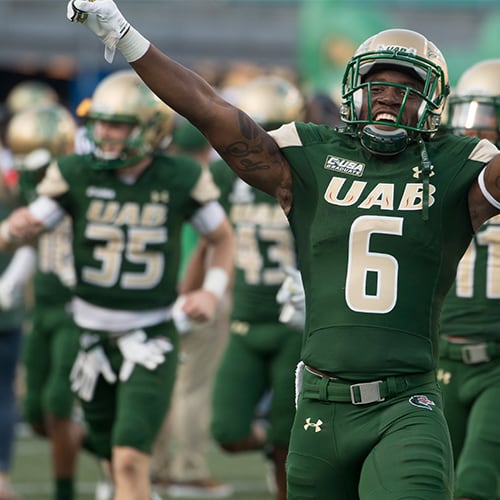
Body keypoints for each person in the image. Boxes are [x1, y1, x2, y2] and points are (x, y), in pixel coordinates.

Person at [66, 4, 500, 498]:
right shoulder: (313, 154)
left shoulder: (455, 166)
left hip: (405, 405)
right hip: (319, 403)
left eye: (405, 89)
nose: (387, 100)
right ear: (353, 91)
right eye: (377, 87)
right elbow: (208, 109)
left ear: (432, 102)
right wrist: (126, 38)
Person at [0, 68, 234, 500]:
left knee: (129, 457)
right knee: (108, 449)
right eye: (100, 122)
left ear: (150, 129)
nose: (104, 133)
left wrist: (211, 291)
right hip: (89, 336)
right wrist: (15, 230)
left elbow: (221, 238)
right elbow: (29, 226)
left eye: (118, 124)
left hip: (149, 335)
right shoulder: (76, 172)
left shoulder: (179, 177)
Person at [208, 75, 303, 500]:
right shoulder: (225, 177)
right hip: (245, 320)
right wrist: (202, 288)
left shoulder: (308, 172)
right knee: (226, 431)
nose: (257, 146)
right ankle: (268, 447)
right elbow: (212, 234)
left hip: (294, 324)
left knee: (291, 442)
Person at [4, 103, 84, 500]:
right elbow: (29, 238)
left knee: (56, 404)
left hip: (77, 307)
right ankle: (105, 445)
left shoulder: (79, 177)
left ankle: (65, 491)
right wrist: (14, 280)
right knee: (36, 415)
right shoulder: (31, 181)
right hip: (45, 307)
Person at [150, 118, 233, 499]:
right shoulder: (201, 183)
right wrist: (192, 291)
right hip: (194, 294)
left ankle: (157, 468)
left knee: (159, 387)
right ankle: (188, 470)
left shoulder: (160, 178)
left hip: (155, 297)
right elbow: (207, 245)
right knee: (192, 388)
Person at [438, 59, 500, 500]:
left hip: (498, 361)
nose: (474, 130)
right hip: (440, 358)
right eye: (467, 114)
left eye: (486, 116)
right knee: (436, 483)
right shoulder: (438, 175)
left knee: (476, 483)